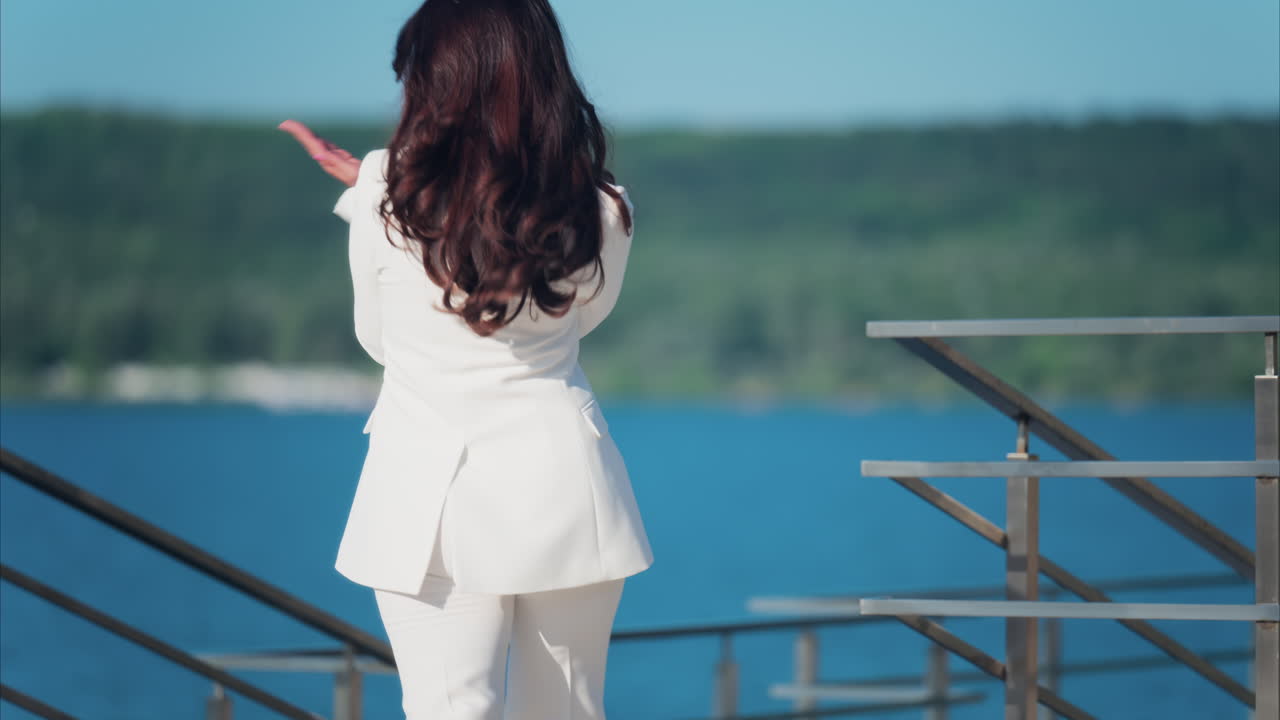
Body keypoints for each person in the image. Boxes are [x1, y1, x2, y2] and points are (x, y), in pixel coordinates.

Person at [279, 1, 653, 717]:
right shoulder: (601, 205)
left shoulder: (385, 194)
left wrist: (371, 194)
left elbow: (376, 338)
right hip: (566, 487)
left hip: (426, 499)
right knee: (568, 711)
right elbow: (587, 320)